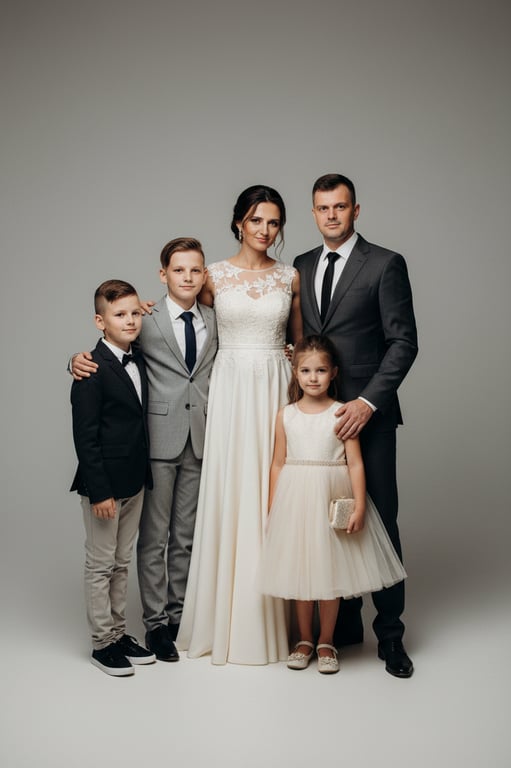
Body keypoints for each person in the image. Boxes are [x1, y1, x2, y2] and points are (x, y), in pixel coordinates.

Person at [293, 173, 418, 678]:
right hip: (315, 416)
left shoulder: (385, 264)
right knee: (328, 520)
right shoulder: (301, 265)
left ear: (356, 210)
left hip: (367, 415)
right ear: (314, 212)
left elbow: (403, 342)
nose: (331, 216)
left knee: (380, 521)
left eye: (340, 207)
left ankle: (391, 635)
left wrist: (367, 401)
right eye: (323, 208)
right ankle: (341, 626)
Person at [70, 239, 218, 663]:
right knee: (152, 541)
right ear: (163, 275)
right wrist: (73, 361)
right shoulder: (146, 319)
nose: (188, 278)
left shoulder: (214, 319)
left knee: (185, 538)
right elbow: (107, 353)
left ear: (203, 274)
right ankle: (154, 626)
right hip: (155, 441)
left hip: (201, 437)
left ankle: (178, 618)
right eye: (179, 270)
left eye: (196, 270)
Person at [176, 184, 303, 665]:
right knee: (232, 493)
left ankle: (280, 625)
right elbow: (173, 320)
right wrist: (83, 356)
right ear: (238, 223)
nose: (265, 231)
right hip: (229, 392)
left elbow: (300, 344)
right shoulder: (212, 277)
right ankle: (224, 620)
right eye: (255, 221)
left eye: (273, 222)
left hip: (274, 386)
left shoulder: (290, 277)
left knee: (272, 494)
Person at [259, 336, 406, 674]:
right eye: (306, 370)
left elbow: (355, 463)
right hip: (295, 501)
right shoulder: (285, 415)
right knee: (300, 571)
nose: (313, 377)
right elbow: (278, 462)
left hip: (329, 499)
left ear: (333, 373)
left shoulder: (342, 413)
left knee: (329, 570)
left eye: (321, 370)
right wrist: (273, 506)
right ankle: (304, 639)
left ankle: (327, 640)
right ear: (295, 372)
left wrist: (357, 506)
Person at [70, 279, 155, 676]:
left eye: (135, 313)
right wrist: (100, 491)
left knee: (122, 562)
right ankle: (101, 642)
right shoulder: (90, 368)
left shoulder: (139, 356)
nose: (130, 320)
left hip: (136, 480)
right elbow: (85, 439)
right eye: (119, 314)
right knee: (101, 564)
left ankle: (119, 634)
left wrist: (145, 310)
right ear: (99, 321)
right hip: (103, 486)